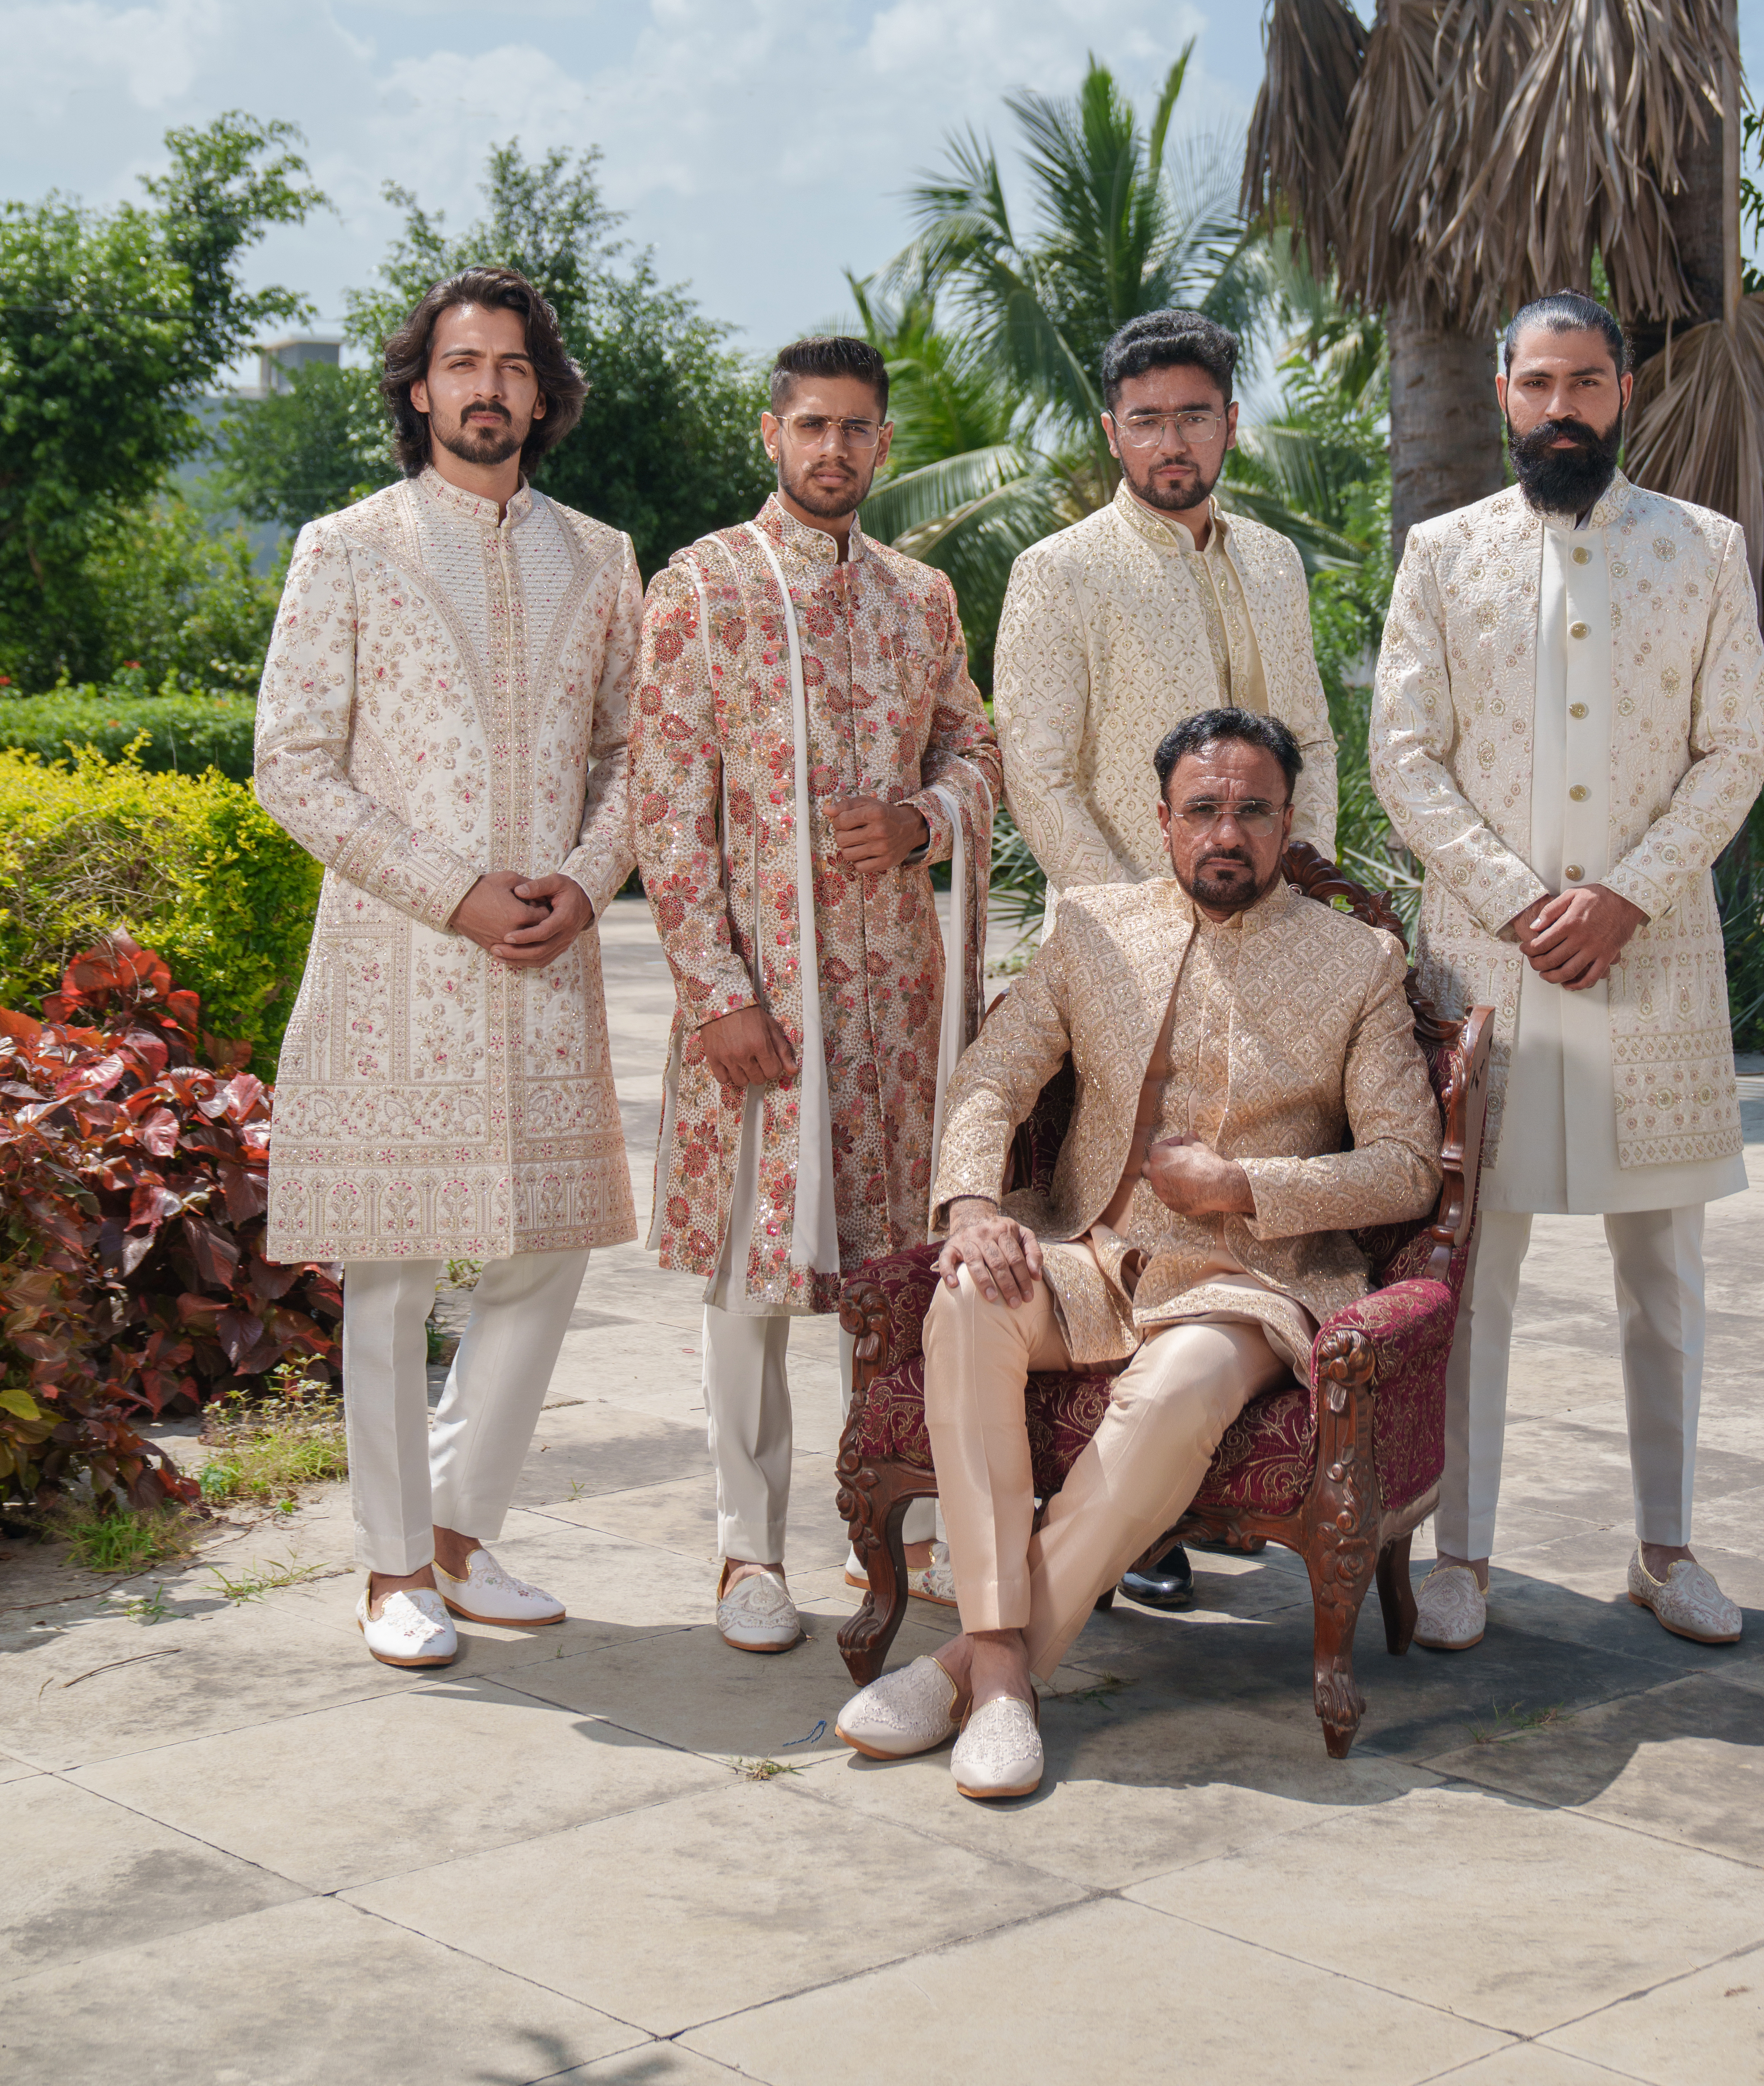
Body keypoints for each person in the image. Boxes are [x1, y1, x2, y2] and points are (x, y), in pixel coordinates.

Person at [831, 705, 1440, 1798]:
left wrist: (1246, 1187)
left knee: (1175, 1392)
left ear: (1288, 820)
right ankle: (1003, 1669)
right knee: (964, 1298)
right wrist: (971, 1207)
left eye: (1253, 811)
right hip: (1086, 1250)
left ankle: (968, 1671)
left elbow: (1406, 1167)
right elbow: (990, 1079)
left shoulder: (1358, 960)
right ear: (1163, 821)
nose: (1227, 833)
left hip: (1244, 1281)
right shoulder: (1092, 930)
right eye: (1203, 809)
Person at [1370, 290, 1764, 1655]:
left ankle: (1667, 1549)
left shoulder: (1702, 547)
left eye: (1585, 382)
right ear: (1502, 393)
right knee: (1472, 1273)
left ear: (1623, 392)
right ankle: (1461, 1557)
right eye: (1537, 383)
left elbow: (1735, 748)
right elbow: (1403, 757)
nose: (1560, 407)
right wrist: (1522, 903)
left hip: (1655, 966)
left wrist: (1625, 896)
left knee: (1664, 1273)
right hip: (1486, 970)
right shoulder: (1441, 554)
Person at [256, 271, 643, 1670]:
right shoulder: (347, 547)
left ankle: (466, 1536)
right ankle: (391, 1565)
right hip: (396, 964)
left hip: (546, 956)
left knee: (546, 1250)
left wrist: (586, 882)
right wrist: (451, 892)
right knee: (393, 1270)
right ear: (419, 388)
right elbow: (290, 765)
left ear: (544, 395)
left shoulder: (602, 557)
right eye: (463, 363)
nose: (489, 387)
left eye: (514, 366)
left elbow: (634, 754)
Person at [632, 333, 1000, 1657]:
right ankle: (748, 1550)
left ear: (883, 444)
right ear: (772, 436)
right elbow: (666, 809)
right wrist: (716, 992)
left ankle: (898, 1529)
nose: (833, 449)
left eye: (855, 428)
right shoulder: (702, 588)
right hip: (766, 1001)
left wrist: (923, 822)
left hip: (898, 1001)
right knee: (754, 1277)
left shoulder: (921, 598)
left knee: (896, 1274)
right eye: (811, 426)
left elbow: (976, 748)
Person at [993, 304, 1339, 1609]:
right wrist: (1136, 932)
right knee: (1126, 1219)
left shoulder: (1273, 561)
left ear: (1231, 423)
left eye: (1194, 415)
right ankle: (1125, 1527)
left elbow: (1310, 737)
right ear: (1112, 432)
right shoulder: (1060, 571)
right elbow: (1039, 770)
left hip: (1271, 934)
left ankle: (1207, 1472)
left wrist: (1308, 896)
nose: (1172, 441)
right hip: (1121, 955)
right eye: (1145, 420)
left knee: (1241, 1195)